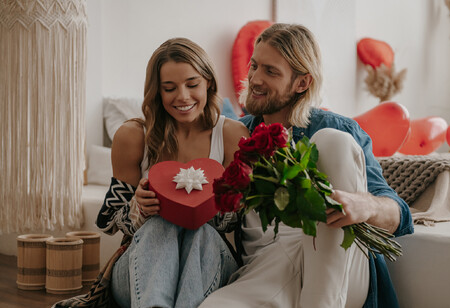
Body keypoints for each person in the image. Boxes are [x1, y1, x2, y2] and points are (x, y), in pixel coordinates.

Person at [199, 23, 414, 308]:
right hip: (266, 268)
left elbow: (400, 214)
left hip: (340, 270)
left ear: (302, 83)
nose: (255, 79)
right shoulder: (235, 135)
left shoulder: (337, 128)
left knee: (331, 141)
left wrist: (366, 206)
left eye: (270, 71)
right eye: (254, 66)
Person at [95, 37, 249, 308]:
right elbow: (107, 221)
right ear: (157, 92)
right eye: (169, 88)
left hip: (209, 265)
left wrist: (209, 205)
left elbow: (238, 225)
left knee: (200, 232)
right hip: (137, 274)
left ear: (209, 82)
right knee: (161, 222)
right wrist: (139, 209)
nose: (183, 96)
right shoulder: (133, 136)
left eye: (192, 85)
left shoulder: (230, 135)